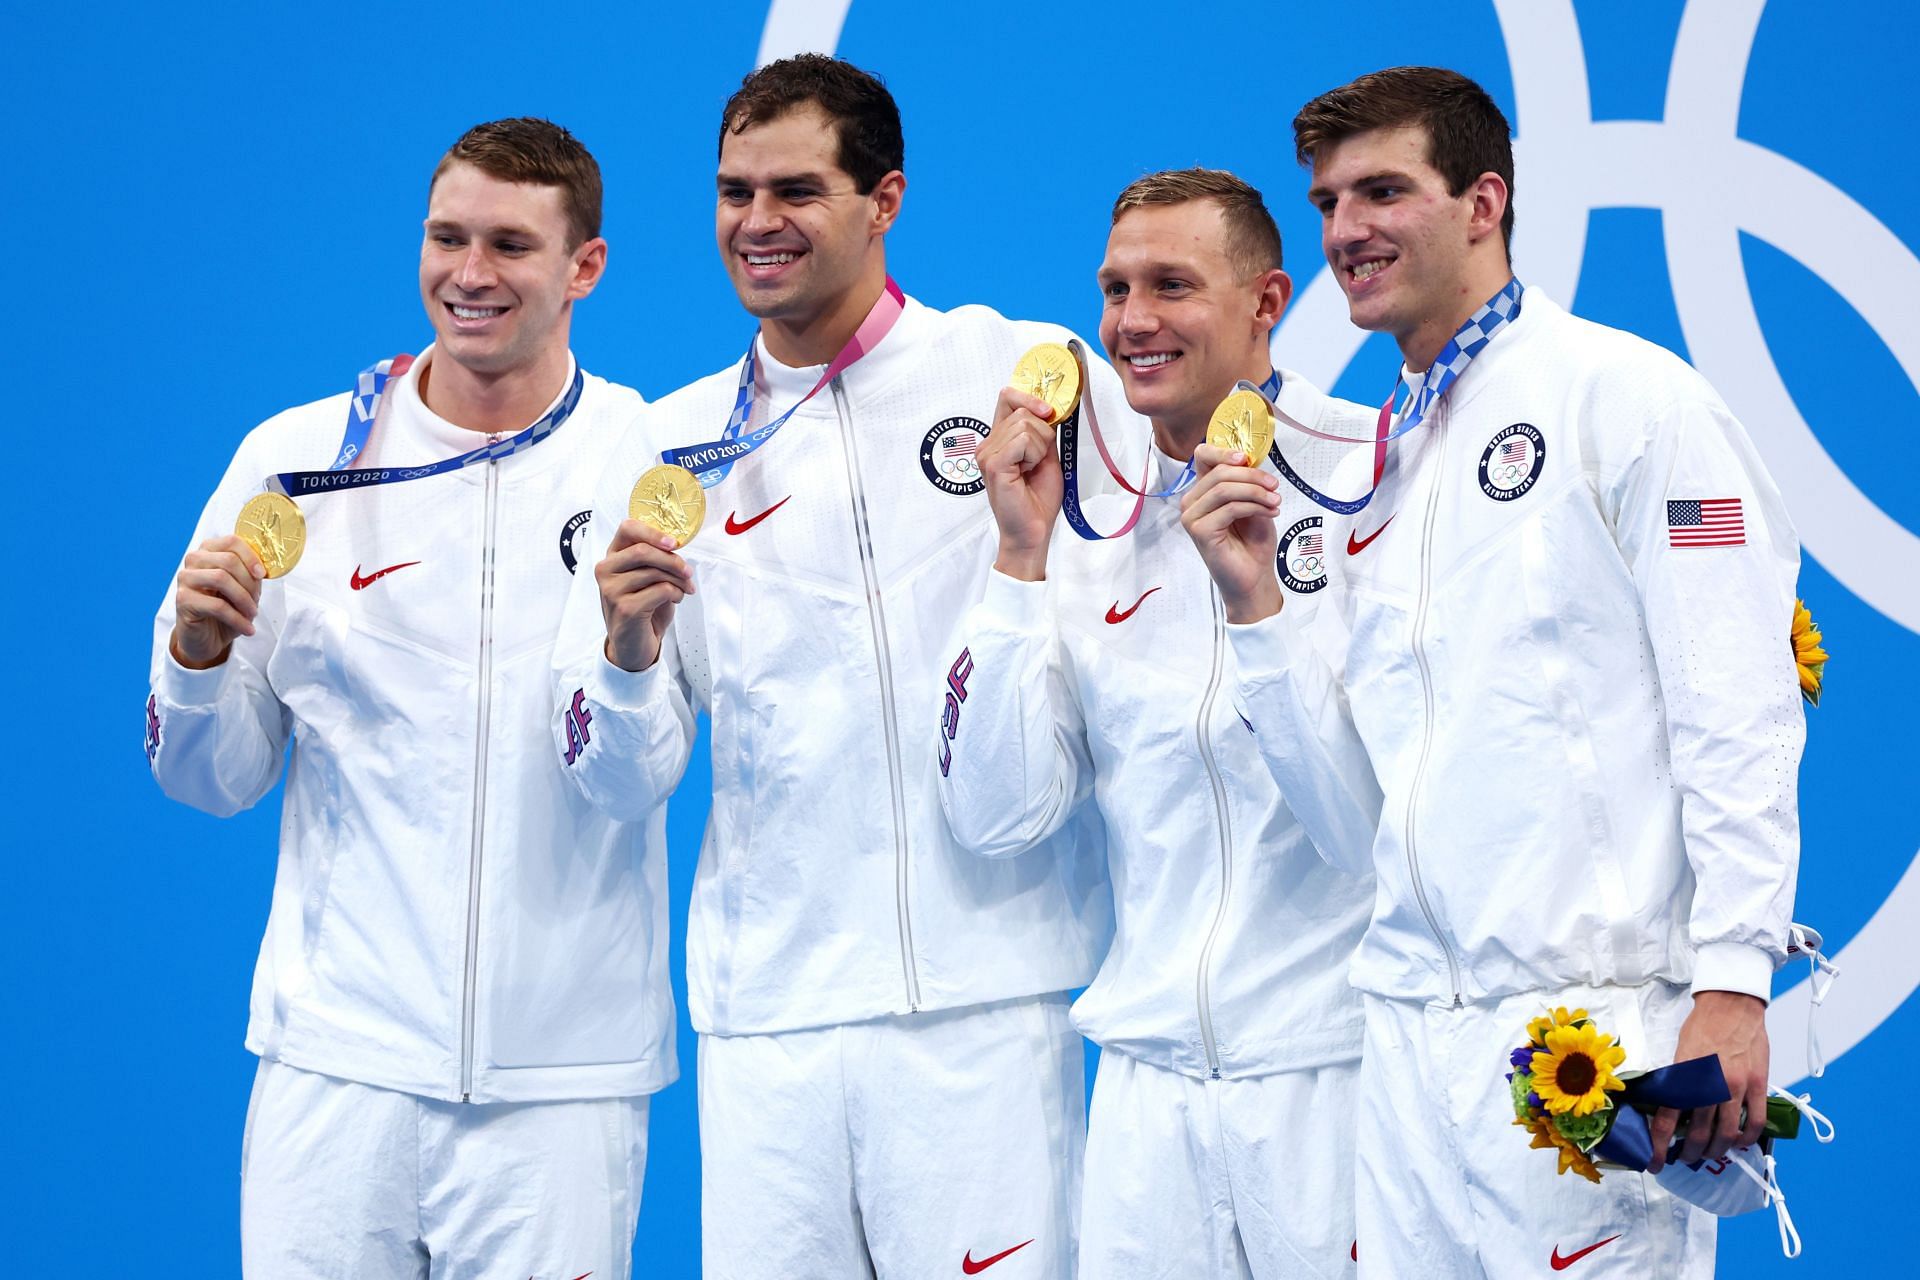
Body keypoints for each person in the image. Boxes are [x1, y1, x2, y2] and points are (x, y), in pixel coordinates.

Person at [1180, 66, 1804, 1276]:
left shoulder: (1626, 398)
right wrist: (1254, 605)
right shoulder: (1386, 460)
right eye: (1326, 201)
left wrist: (1735, 977)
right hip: (1408, 1051)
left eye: (1382, 190)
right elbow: (1359, 819)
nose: (1344, 230)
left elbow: (1736, 702)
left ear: (1484, 203)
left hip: (1587, 1032)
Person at [552, 54, 1139, 1280]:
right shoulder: (672, 446)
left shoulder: (1020, 373)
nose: (755, 223)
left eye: (796, 191)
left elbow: (1133, 624)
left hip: (984, 1003)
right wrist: (623, 656)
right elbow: (615, 781)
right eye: (732, 192)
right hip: (771, 1026)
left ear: (885, 200)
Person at [147, 118, 672, 1279]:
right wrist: (192, 658)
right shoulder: (295, 464)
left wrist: (629, 653)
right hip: (336, 1067)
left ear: (585, 266)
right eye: (447, 237)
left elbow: (636, 781)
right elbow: (209, 778)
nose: (469, 274)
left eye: (509, 245)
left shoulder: (648, 458)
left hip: (561, 1085)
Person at [937, 167, 1377, 1278]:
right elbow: (994, 816)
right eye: (1115, 287)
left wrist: (1255, 609)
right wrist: (1018, 560)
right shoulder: (1091, 524)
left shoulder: (1372, 480)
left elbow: (1373, 837)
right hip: (1145, 1099)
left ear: (1267, 301)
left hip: (1336, 1074)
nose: (1133, 321)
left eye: (1172, 284)